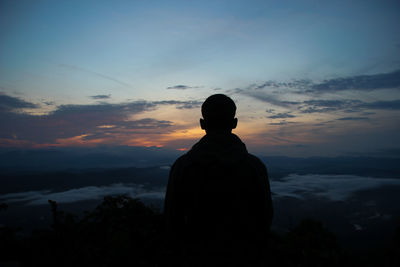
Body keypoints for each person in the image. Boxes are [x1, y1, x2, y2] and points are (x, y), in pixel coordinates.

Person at [164, 94, 273, 266]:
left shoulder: (183, 167)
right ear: (234, 123)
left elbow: (172, 222)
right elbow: (264, 220)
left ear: (202, 124)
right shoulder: (255, 167)